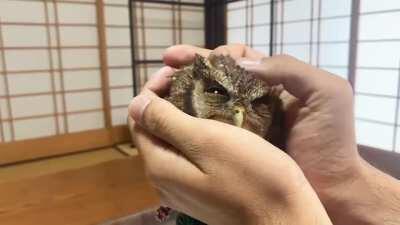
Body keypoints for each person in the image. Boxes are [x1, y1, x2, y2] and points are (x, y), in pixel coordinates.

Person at [128, 44, 400, 225]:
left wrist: (271, 212)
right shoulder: (181, 101)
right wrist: (345, 182)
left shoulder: (275, 131)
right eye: (215, 93)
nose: (239, 113)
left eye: (258, 104)